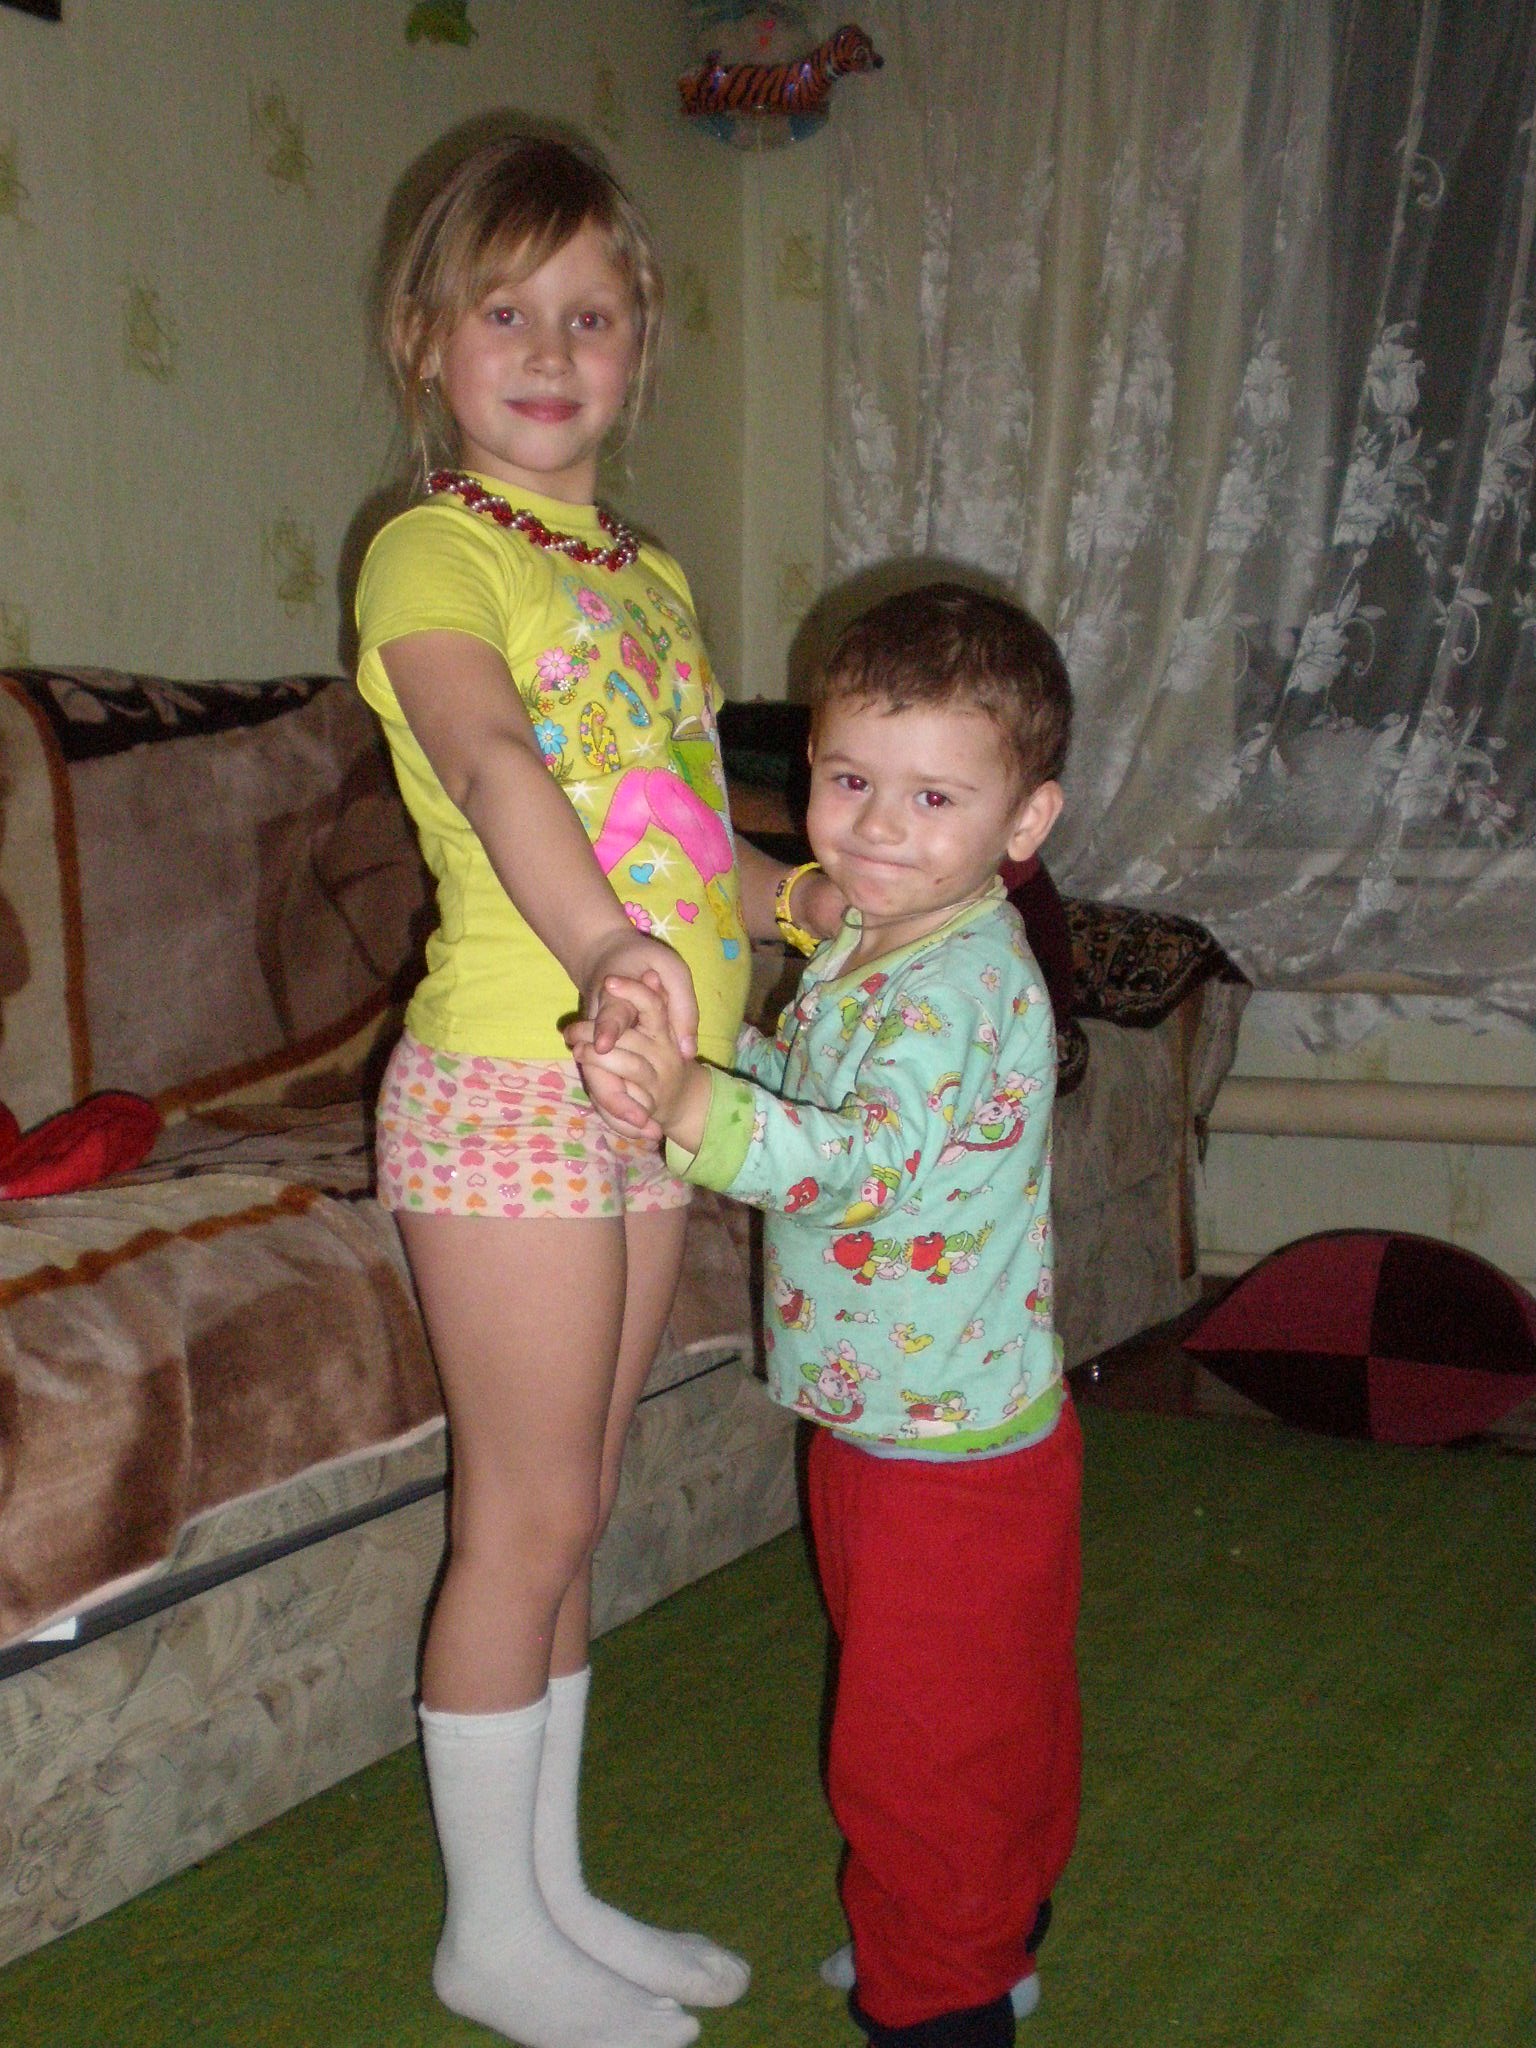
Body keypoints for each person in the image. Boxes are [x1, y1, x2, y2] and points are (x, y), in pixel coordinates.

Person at [354, 129, 844, 2048]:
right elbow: (497, 767)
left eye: (591, 315)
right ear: (427, 340)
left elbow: (673, 826)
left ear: (642, 340)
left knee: (580, 1507)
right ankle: (488, 1936)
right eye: (507, 313)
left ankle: (549, 1895)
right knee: (525, 1516)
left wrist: (794, 897)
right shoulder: (432, 549)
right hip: (508, 1079)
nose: (551, 353)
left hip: (648, 1091)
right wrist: (607, 955)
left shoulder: (648, 575)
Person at [571, 583, 1082, 2048]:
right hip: (904, 1418)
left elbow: (854, 1163)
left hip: (947, 1452)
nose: (876, 829)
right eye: (850, 781)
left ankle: (941, 2001)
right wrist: (701, 1062)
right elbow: (810, 1092)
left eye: (934, 798)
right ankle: (990, 1921)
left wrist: (690, 1104)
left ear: (1025, 821)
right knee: (978, 1712)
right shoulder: (885, 939)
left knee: (917, 1750)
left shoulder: (954, 989)